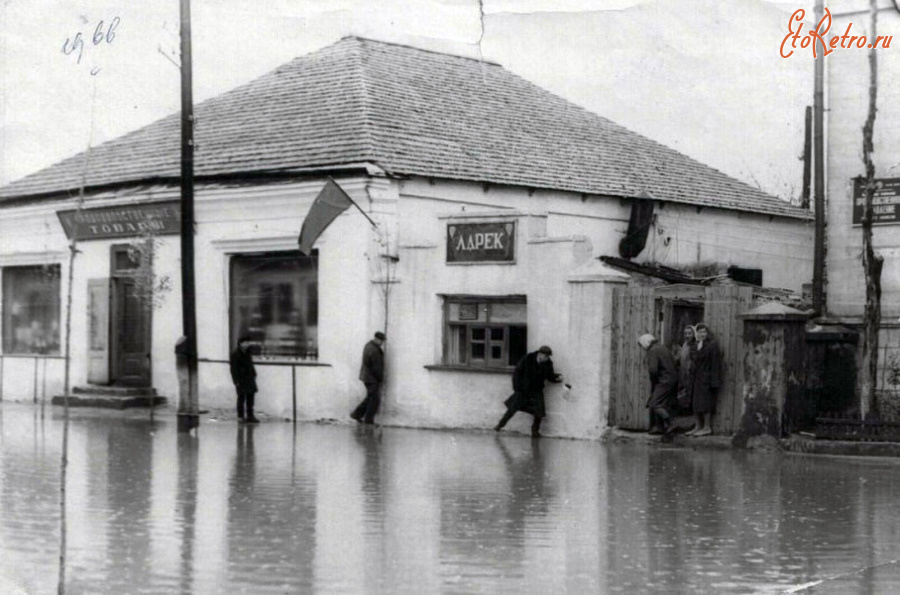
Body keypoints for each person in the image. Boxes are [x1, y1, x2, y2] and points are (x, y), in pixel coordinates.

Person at [494, 345, 563, 438]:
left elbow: (550, 376)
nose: (547, 358)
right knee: (512, 408)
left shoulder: (548, 363)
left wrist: (557, 378)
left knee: (539, 412)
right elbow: (517, 372)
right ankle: (500, 425)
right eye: (546, 356)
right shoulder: (528, 358)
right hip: (523, 389)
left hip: (537, 390)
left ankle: (535, 431)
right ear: (540, 354)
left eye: (548, 357)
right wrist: (517, 388)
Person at [638, 334, 678, 435]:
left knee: (654, 403)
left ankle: (671, 423)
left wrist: (654, 381)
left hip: (664, 380)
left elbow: (653, 370)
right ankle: (659, 427)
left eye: (642, 346)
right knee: (663, 403)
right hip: (672, 379)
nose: (643, 349)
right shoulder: (662, 347)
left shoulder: (653, 350)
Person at [687, 323, 720, 437]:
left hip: (707, 378)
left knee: (706, 404)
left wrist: (714, 381)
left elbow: (715, 363)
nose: (702, 334)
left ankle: (707, 427)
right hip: (696, 378)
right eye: (700, 332)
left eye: (704, 332)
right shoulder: (695, 345)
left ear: (707, 333)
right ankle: (698, 426)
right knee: (695, 403)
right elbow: (693, 361)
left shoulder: (712, 345)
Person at [351, 331, 386, 424]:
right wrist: (380, 378)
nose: (382, 343)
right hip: (371, 378)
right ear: (377, 339)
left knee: (371, 397)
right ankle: (368, 420)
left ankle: (356, 414)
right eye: (381, 341)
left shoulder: (368, 345)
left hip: (366, 376)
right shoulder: (374, 350)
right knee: (374, 399)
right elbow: (376, 367)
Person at [230, 336, 259, 423]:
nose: (247, 344)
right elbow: (233, 369)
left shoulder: (248, 353)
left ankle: (250, 416)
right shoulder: (235, 354)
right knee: (241, 398)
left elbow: (250, 365)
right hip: (241, 379)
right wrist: (236, 380)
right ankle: (240, 417)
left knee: (250, 398)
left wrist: (254, 373)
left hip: (249, 378)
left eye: (248, 342)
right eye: (245, 342)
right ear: (240, 343)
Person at [676, 325, 697, 413]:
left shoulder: (694, 345)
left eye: (689, 333)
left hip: (691, 373)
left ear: (693, 334)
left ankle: (689, 410)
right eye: (685, 333)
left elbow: (694, 361)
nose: (687, 335)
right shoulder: (685, 344)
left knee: (690, 391)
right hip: (683, 372)